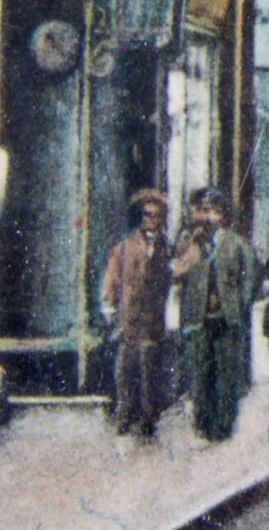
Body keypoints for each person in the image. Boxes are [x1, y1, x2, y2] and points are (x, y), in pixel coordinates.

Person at [172, 187, 256, 443]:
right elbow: (177, 272)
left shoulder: (237, 244)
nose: (208, 217)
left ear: (223, 216)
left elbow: (249, 279)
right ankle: (203, 424)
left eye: (214, 212)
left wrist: (238, 307)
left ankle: (223, 425)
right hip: (199, 317)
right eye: (204, 211)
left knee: (225, 371)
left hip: (225, 317)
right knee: (200, 372)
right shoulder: (191, 243)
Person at [101, 189, 173, 443]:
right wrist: (110, 303)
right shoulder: (127, 246)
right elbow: (113, 276)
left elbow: (170, 281)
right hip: (130, 317)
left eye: (155, 216)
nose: (150, 220)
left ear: (162, 219)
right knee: (125, 368)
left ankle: (148, 418)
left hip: (153, 319)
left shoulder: (166, 248)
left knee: (149, 368)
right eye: (146, 215)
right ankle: (124, 415)